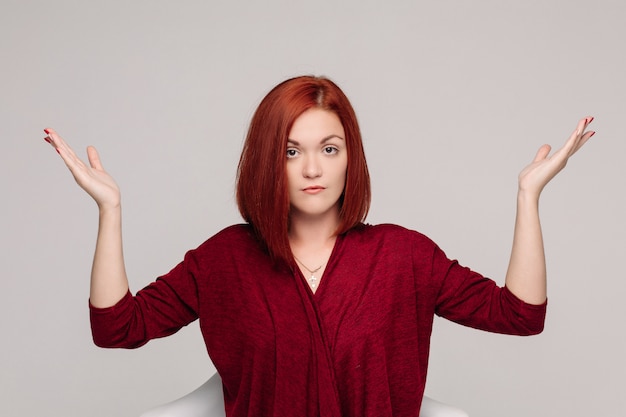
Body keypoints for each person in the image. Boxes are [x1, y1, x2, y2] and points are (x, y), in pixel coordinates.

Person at [44, 75, 594, 417]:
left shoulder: (403, 256)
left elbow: (520, 316)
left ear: (350, 156)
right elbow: (117, 330)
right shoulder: (224, 260)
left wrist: (528, 196)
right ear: (268, 161)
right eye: (291, 151)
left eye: (329, 148)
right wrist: (109, 211)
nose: (312, 168)